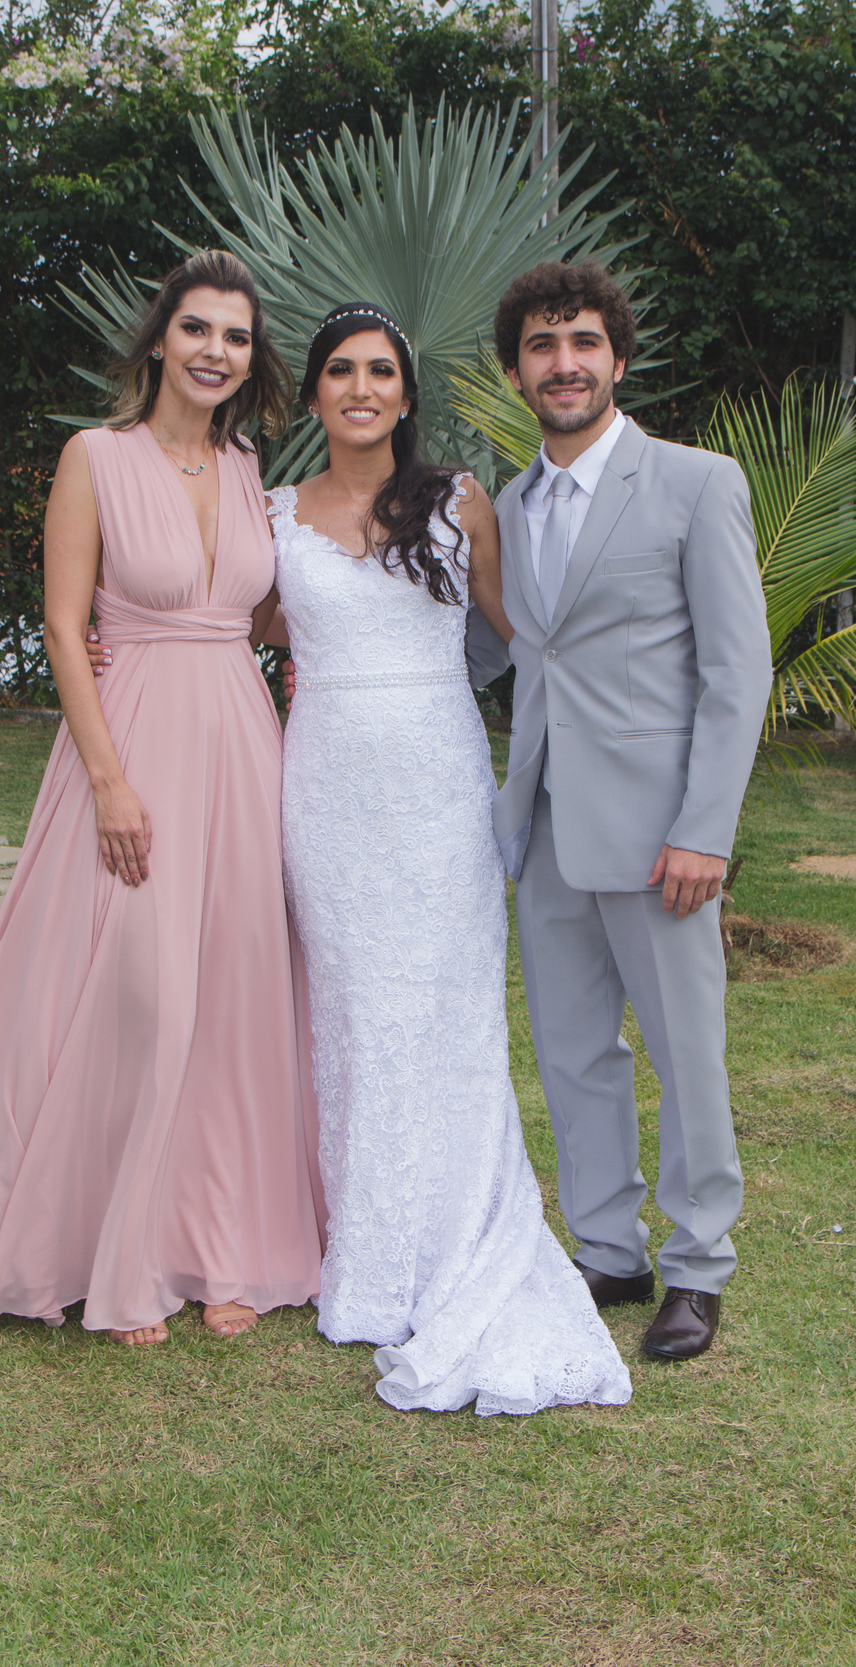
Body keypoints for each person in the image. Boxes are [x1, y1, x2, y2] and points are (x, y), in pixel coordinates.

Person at [0, 249, 326, 1346]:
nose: (215, 351)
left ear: (252, 358)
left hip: (241, 744)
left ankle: (223, 1244)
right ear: (159, 339)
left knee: (235, 995)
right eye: (197, 328)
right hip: (131, 739)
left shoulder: (248, 469)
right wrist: (107, 781)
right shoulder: (94, 456)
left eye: (236, 336)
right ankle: (115, 1247)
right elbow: (64, 626)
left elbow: (270, 614)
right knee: (137, 992)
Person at [269, 304, 632, 1415]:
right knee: (353, 1016)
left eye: (382, 370)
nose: (362, 388)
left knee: (444, 1016)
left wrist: (635, 712)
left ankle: (461, 1236)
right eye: (341, 370)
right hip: (325, 794)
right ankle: (366, 1254)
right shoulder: (272, 514)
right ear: (315, 394)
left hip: (438, 794)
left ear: (406, 394)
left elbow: (529, 635)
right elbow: (233, 620)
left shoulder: (460, 502)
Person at [465, 261, 773, 1361]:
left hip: (660, 837)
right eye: (542, 347)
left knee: (687, 1052)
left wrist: (705, 829)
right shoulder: (507, 506)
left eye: (583, 342)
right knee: (572, 1049)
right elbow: (505, 649)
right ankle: (607, 1249)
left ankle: (697, 1265)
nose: (565, 364)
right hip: (546, 823)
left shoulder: (696, 484)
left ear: (618, 360)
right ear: (516, 373)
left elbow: (738, 671)